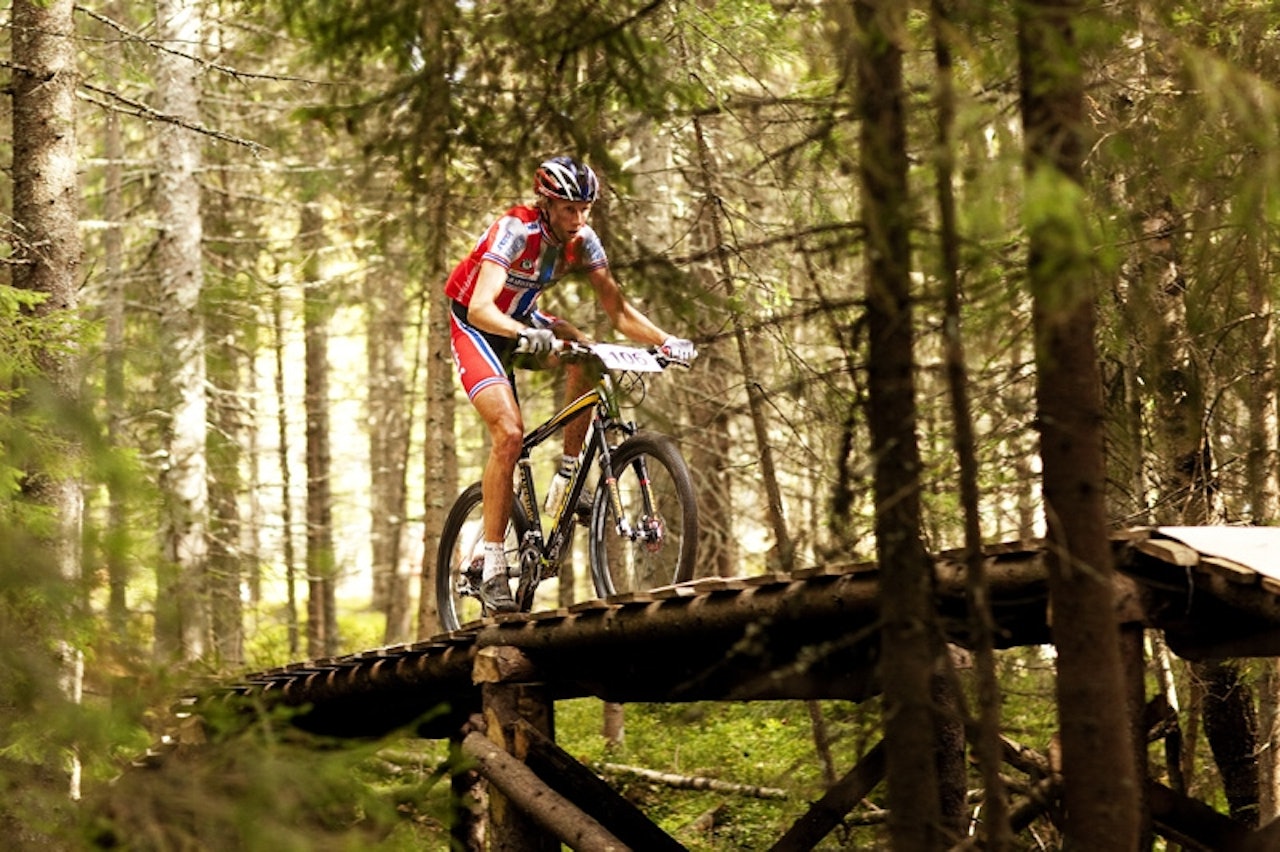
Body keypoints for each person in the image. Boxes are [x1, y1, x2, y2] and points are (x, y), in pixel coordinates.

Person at [445, 156, 697, 613]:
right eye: (568, 209)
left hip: (524, 321)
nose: (577, 219)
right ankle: (495, 563)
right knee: (509, 434)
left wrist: (666, 340)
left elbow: (617, 312)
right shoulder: (515, 230)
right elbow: (482, 307)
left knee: (588, 352)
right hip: (477, 327)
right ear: (546, 203)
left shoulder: (584, 241)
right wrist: (523, 334)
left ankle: (566, 478)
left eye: (585, 208)